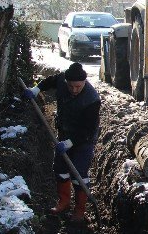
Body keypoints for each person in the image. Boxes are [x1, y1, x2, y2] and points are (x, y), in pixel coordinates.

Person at [23, 62, 101, 221]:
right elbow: (50, 81)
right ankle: (63, 201)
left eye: (78, 87)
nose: (74, 90)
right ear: (67, 82)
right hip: (64, 132)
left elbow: (88, 129)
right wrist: (36, 89)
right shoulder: (62, 80)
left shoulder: (92, 99)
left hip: (84, 139)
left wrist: (69, 143)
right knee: (59, 169)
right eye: (71, 86)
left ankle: (80, 209)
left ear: (84, 82)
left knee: (79, 173)